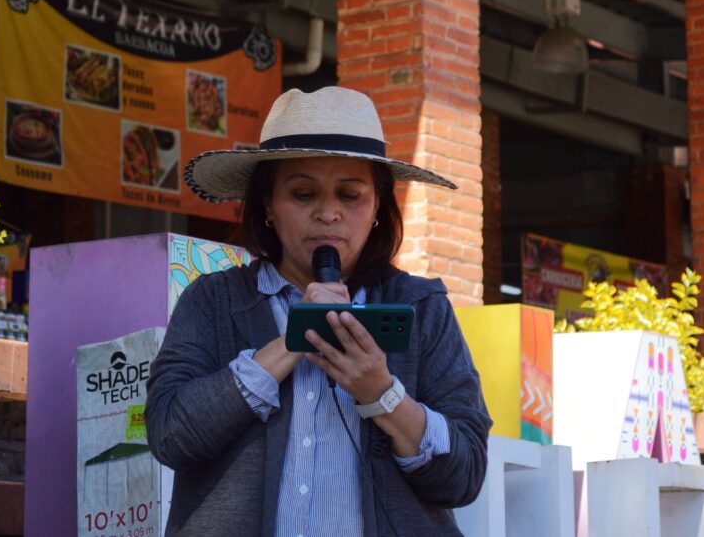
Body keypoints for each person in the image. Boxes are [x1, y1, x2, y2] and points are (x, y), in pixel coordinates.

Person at [147, 86, 492, 536]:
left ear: (377, 208)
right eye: (303, 193)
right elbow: (169, 435)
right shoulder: (213, 301)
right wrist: (293, 339)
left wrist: (382, 393)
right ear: (268, 205)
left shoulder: (422, 308)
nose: (328, 213)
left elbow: (465, 474)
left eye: (350, 195)